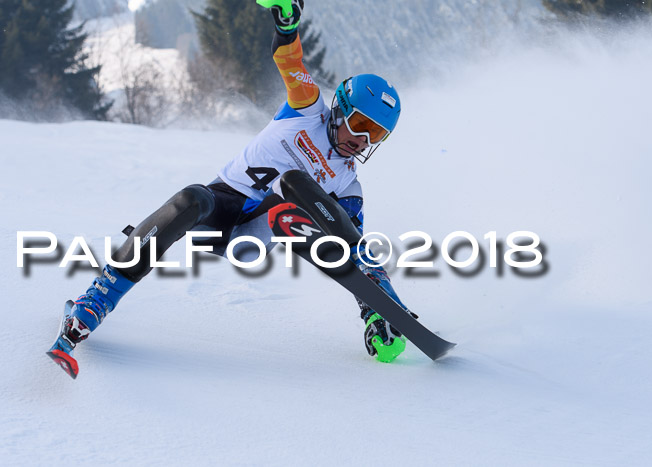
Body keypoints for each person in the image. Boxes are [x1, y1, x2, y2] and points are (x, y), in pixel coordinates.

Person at [47, 0, 411, 377]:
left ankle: (302, 231)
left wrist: (380, 308)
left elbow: (357, 250)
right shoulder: (308, 107)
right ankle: (96, 300)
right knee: (193, 197)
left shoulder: (348, 184)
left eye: (376, 135)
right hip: (219, 213)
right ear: (340, 109)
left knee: (296, 190)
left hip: (256, 235)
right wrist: (287, 23)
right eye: (360, 125)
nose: (363, 140)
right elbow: (290, 61)